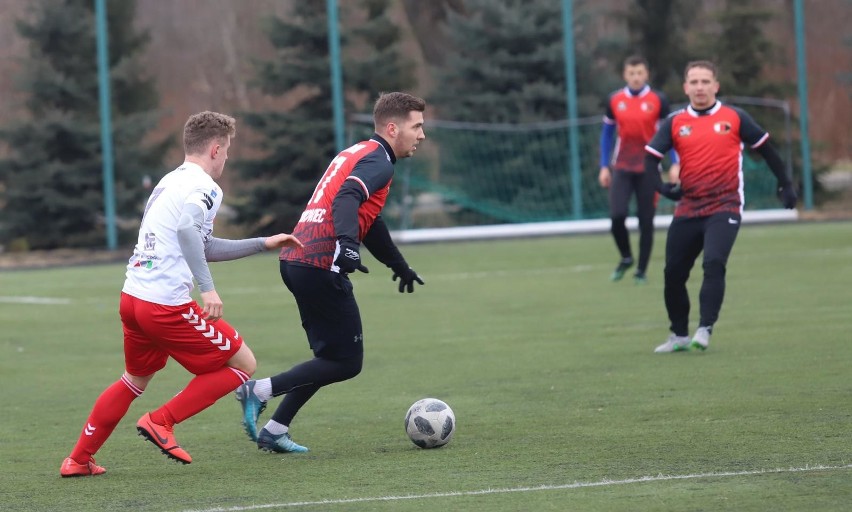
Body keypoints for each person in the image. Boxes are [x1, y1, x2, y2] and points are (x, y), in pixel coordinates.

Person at [60, 111, 303, 477]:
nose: (227, 158)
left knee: (133, 380)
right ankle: (162, 422)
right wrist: (208, 289)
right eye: (228, 150)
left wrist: (263, 243)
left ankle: (78, 460)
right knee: (243, 364)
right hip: (164, 304)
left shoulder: (169, 181)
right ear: (216, 149)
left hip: (133, 298)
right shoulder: (206, 186)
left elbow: (201, 245)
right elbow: (189, 232)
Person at [235, 92, 427, 453]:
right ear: (392, 127)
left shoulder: (355, 152)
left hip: (297, 261)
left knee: (328, 359)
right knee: (346, 362)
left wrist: (398, 265)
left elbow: (369, 220)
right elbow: (347, 198)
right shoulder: (380, 163)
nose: (421, 135)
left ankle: (275, 430)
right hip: (320, 264)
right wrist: (347, 245)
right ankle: (258, 390)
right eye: (416, 126)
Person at [646, 60, 797, 353]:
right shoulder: (675, 122)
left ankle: (704, 329)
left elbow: (767, 149)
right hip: (689, 207)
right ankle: (678, 335)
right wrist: (662, 187)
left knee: (714, 263)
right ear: (685, 87)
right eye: (694, 82)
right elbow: (650, 159)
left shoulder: (734, 117)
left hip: (725, 205)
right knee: (673, 273)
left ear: (716, 86)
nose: (700, 87)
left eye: (705, 81)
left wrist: (785, 184)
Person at [599, 55, 680, 284]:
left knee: (646, 220)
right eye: (631, 73)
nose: (636, 77)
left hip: (649, 168)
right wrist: (604, 166)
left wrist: (675, 162)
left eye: (640, 73)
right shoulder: (615, 100)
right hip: (622, 166)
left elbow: (670, 134)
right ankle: (626, 257)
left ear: (646, 75)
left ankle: (641, 271)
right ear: (625, 75)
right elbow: (606, 135)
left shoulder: (658, 99)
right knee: (617, 216)